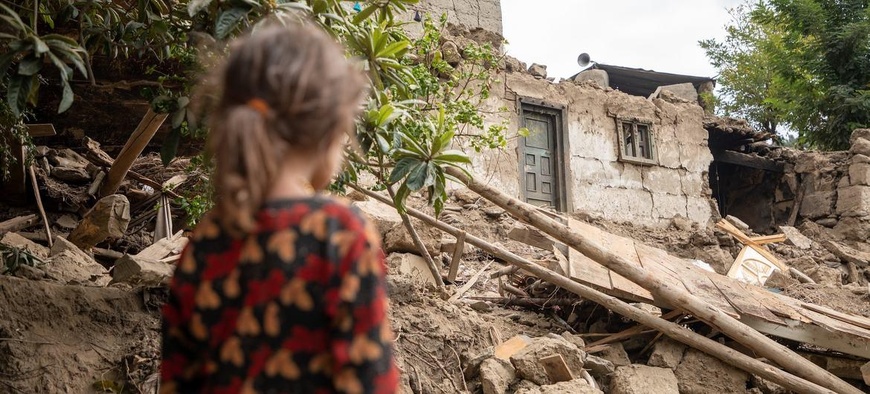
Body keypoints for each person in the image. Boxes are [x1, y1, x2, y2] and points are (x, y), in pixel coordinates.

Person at [160, 21, 399, 394]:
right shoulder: (340, 233)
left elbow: (176, 379)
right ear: (331, 129)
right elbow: (371, 382)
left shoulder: (203, 244)